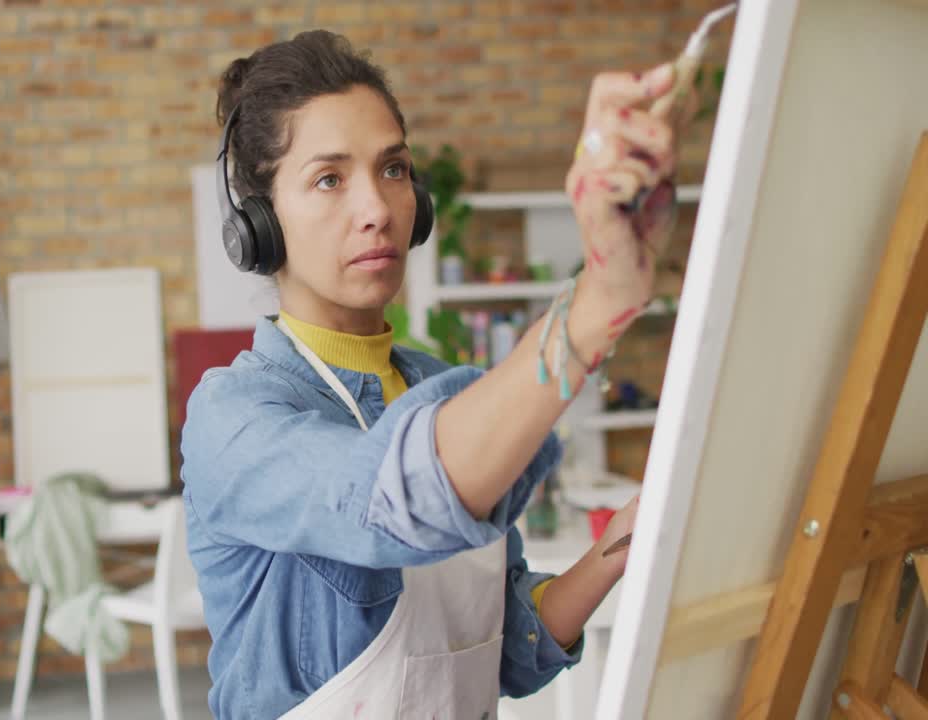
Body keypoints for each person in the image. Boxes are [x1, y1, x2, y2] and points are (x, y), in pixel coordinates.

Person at [180, 29, 686, 720]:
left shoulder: (447, 390)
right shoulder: (233, 418)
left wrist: (622, 544)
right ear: (258, 223)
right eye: (329, 179)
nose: (378, 210)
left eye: (392, 169)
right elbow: (394, 495)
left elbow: (504, 645)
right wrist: (597, 302)